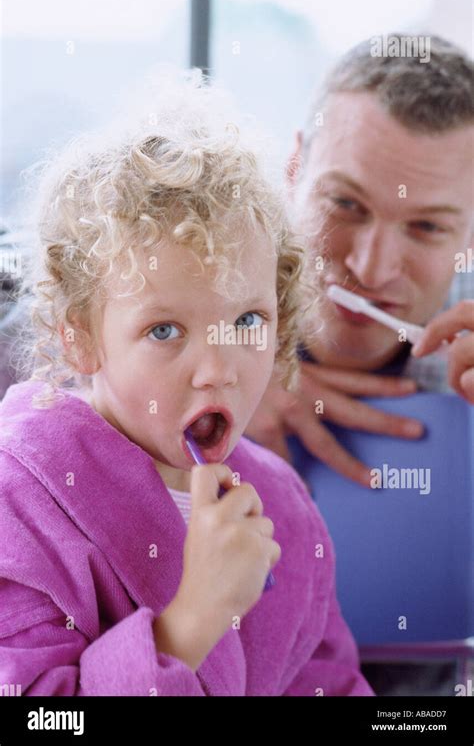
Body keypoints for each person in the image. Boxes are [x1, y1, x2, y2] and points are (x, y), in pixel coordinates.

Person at [0, 71, 373, 696]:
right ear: (79, 335)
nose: (218, 369)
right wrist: (194, 620)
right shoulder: (21, 503)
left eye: (248, 320)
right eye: (166, 331)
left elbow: (328, 683)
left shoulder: (284, 506)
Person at [246, 34, 474, 487]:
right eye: (346, 204)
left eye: (426, 227)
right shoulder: (187, 279)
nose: (371, 269)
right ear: (294, 170)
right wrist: (209, 381)